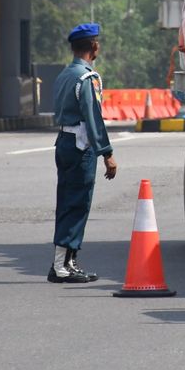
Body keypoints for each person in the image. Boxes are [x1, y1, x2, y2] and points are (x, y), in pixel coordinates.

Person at [48, 23, 117, 284]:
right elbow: (93, 117)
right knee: (77, 203)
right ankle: (62, 266)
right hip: (80, 145)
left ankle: (65, 262)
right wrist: (107, 153)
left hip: (64, 142)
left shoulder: (65, 74)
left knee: (66, 201)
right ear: (94, 46)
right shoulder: (88, 78)